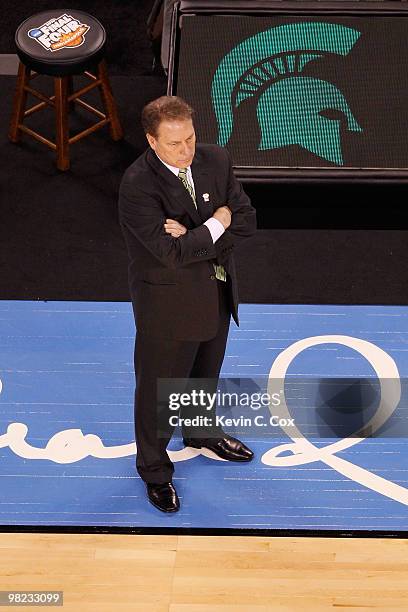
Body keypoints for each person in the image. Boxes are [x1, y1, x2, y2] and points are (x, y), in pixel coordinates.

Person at [118, 96, 257, 513]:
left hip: (215, 289)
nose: (187, 150)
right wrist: (218, 220)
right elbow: (170, 254)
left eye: (191, 138)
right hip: (167, 304)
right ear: (151, 140)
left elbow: (247, 218)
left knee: (204, 374)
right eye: (175, 144)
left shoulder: (217, 158)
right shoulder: (137, 185)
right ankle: (155, 470)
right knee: (158, 392)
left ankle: (199, 433)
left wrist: (196, 232)